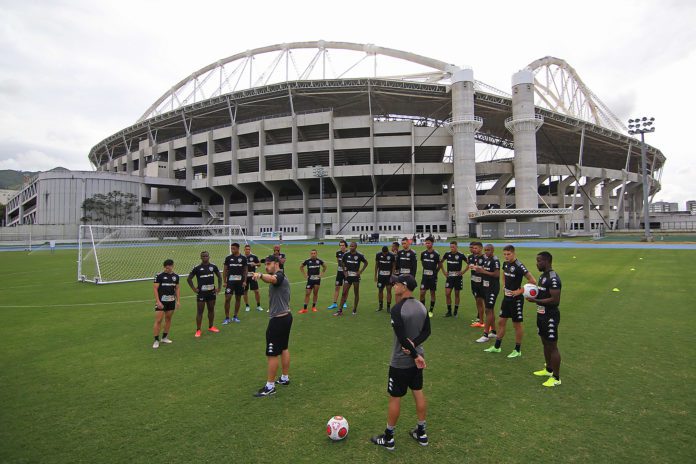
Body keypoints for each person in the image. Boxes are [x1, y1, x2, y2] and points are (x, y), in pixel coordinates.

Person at [370, 274, 431, 451]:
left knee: (395, 398)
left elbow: (402, 337)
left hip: (401, 362)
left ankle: (388, 438)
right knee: (418, 392)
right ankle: (422, 433)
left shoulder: (397, 309)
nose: (394, 286)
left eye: (396, 284)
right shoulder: (421, 306)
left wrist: (413, 352)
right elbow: (427, 331)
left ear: (404, 286)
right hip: (417, 360)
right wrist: (416, 347)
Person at [251, 255, 293, 397]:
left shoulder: (279, 276)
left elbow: (274, 279)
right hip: (286, 317)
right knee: (284, 348)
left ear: (276, 264)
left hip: (278, 320)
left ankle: (270, 386)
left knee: (272, 353)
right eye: (265, 265)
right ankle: (285, 378)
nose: (266, 266)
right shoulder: (280, 276)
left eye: (268, 264)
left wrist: (261, 275)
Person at [484, 245, 536, 358]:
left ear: (514, 253)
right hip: (506, 298)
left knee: (516, 324)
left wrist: (519, 291)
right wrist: (504, 285)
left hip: (516, 300)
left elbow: (533, 281)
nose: (506, 256)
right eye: (505, 254)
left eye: (508, 254)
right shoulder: (505, 263)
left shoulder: (519, 266)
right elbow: (503, 273)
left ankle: (517, 350)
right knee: (501, 322)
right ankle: (497, 347)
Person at [528, 251, 562, 387]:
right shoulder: (543, 276)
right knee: (545, 343)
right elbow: (543, 293)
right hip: (541, 315)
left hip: (550, 316)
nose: (537, 263)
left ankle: (556, 377)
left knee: (552, 346)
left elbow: (555, 299)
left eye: (539, 261)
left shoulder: (553, 278)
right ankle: (548, 369)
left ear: (547, 261)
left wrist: (535, 300)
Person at [186, 251, 222, 338]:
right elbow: (189, 278)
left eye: (206, 256)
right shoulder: (197, 267)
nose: (205, 257)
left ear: (209, 257)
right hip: (201, 293)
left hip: (211, 292)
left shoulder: (213, 266)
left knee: (211, 310)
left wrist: (219, 288)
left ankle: (211, 326)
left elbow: (219, 277)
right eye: (203, 256)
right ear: (201, 257)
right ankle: (198, 330)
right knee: (200, 312)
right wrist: (194, 289)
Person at [474, 244, 500, 343]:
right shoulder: (487, 259)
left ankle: (485, 335)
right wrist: (479, 271)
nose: (486, 252)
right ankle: (493, 331)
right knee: (490, 310)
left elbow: (496, 274)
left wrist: (483, 271)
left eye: (488, 250)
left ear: (493, 250)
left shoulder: (495, 260)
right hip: (486, 287)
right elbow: (485, 272)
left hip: (492, 288)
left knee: (488, 309)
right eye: (485, 250)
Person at [335, 241, 368, 316]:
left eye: (352, 246)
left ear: (356, 247)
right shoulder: (346, 254)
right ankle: (340, 310)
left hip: (356, 276)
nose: (351, 247)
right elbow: (342, 262)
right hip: (348, 276)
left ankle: (354, 309)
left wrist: (361, 271)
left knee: (356, 293)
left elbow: (366, 263)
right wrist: (344, 271)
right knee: (344, 292)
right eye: (350, 246)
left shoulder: (360, 255)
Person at [152, 259, 180, 349]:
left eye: (170, 267)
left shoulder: (176, 276)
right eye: (167, 268)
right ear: (164, 267)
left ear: (172, 266)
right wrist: (158, 301)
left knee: (168, 319)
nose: (168, 269)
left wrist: (178, 301)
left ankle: (164, 338)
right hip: (161, 302)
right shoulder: (159, 276)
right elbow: (155, 289)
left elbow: (177, 289)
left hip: (171, 301)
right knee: (159, 320)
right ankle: (156, 340)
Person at [223, 242, 248, 324]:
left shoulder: (243, 258)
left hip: (240, 281)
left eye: (233, 248)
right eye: (231, 248)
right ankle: (227, 317)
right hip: (230, 281)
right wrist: (224, 281)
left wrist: (244, 281)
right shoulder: (228, 258)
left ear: (238, 249)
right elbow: (225, 270)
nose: (232, 250)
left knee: (238, 298)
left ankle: (235, 316)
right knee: (227, 298)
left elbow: (245, 270)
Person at [440, 241, 466, 317]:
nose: (452, 248)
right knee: (447, 294)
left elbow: (469, 263)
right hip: (450, 277)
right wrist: (444, 272)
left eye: (453, 247)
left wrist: (463, 272)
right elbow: (440, 262)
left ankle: (455, 311)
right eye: (451, 247)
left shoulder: (461, 255)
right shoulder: (447, 254)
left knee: (457, 294)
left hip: (458, 277)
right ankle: (449, 311)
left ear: (457, 247)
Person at [419, 236, 441, 318]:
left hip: (433, 277)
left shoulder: (436, 254)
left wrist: (435, 272)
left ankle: (431, 310)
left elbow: (439, 264)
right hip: (425, 277)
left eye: (429, 243)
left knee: (432, 293)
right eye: (426, 243)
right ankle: (422, 310)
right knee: (422, 293)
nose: (427, 244)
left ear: (432, 243)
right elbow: (422, 262)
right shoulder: (423, 253)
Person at [299, 249, 327, 313]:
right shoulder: (307, 261)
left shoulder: (319, 261)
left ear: (316, 254)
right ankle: (305, 308)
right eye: (312, 253)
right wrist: (305, 274)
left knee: (315, 293)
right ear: (310, 254)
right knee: (307, 293)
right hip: (310, 280)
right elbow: (301, 267)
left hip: (317, 280)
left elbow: (325, 267)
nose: (313, 254)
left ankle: (313, 307)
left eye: (314, 253)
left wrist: (321, 274)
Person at [467, 241, 486, 328]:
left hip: (482, 283)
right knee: (477, 301)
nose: (474, 250)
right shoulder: (470, 257)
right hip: (474, 282)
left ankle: (486, 321)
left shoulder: (485, 258)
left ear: (481, 248)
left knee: (484, 302)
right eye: (473, 248)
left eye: (476, 248)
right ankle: (480, 320)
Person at [327, 240, 349, 310]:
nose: (341, 247)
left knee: (345, 288)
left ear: (345, 246)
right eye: (340, 245)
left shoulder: (348, 253)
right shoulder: (338, 253)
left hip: (346, 272)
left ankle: (344, 302)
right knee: (337, 287)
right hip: (339, 272)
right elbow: (338, 262)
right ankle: (334, 303)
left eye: (343, 245)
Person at [374, 246, 396, 312]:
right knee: (380, 290)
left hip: (388, 276)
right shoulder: (378, 254)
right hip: (381, 276)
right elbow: (376, 265)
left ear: (388, 251)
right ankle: (380, 306)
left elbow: (394, 265)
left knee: (389, 290)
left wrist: (392, 275)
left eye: (386, 253)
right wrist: (375, 275)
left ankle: (388, 307)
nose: (384, 254)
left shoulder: (392, 255)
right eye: (383, 253)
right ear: (382, 251)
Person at [243, 244, 264, 312]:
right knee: (245, 292)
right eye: (246, 249)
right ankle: (247, 306)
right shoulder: (241, 257)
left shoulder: (254, 256)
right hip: (244, 277)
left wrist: (254, 264)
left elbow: (259, 264)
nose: (248, 250)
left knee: (256, 291)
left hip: (253, 276)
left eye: (249, 249)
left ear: (250, 250)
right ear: (244, 250)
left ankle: (258, 305)